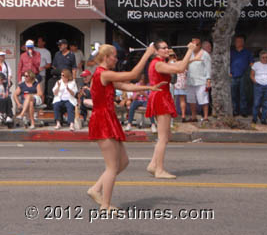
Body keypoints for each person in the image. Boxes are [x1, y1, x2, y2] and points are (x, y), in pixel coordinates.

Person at [86, 43, 162, 211]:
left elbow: (127, 86)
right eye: (114, 56)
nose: (116, 58)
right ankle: (105, 205)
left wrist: (148, 87)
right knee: (112, 167)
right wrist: (148, 54)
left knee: (123, 162)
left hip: (108, 118)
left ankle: (95, 189)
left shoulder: (107, 76)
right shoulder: (103, 73)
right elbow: (134, 74)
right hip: (102, 119)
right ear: (106, 58)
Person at [146, 40, 196, 179]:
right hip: (161, 98)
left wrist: (191, 57)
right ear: (156, 51)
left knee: (167, 136)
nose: (167, 49)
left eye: (167, 47)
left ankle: (153, 164)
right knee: (163, 138)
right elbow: (179, 69)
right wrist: (190, 51)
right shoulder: (158, 63)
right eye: (163, 48)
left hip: (162, 96)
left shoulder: (161, 63)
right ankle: (159, 170)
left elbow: (179, 65)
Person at [186, 38, 211, 122]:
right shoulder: (189, 53)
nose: (194, 46)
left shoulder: (205, 54)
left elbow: (208, 68)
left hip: (201, 80)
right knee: (191, 99)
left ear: (200, 45)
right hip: (190, 80)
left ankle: (205, 117)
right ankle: (194, 116)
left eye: (196, 45)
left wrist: (208, 80)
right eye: (192, 44)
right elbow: (185, 64)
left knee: (203, 99)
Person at [230, 35, 253, 117]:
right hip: (233, 76)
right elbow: (227, 63)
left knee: (243, 94)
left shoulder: (247, 52)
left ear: (243, 43)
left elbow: (251, 64)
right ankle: (235, 111)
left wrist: (249, 73)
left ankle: (243, 111)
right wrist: (229, 72)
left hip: (244, 76)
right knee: (233, 95)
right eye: (236, 41)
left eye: (239, 41)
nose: (237, 43)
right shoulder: (231, 52)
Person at [250, 50, 267, 125]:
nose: (265, 59)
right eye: (263, 57)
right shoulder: (256, 64)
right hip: (258, 85)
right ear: (260, 58)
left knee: (266, 104)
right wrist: (255, 82)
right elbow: (251, 75)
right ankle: (254, 119)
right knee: (256, 103)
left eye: (266, 57)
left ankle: (263, 119)